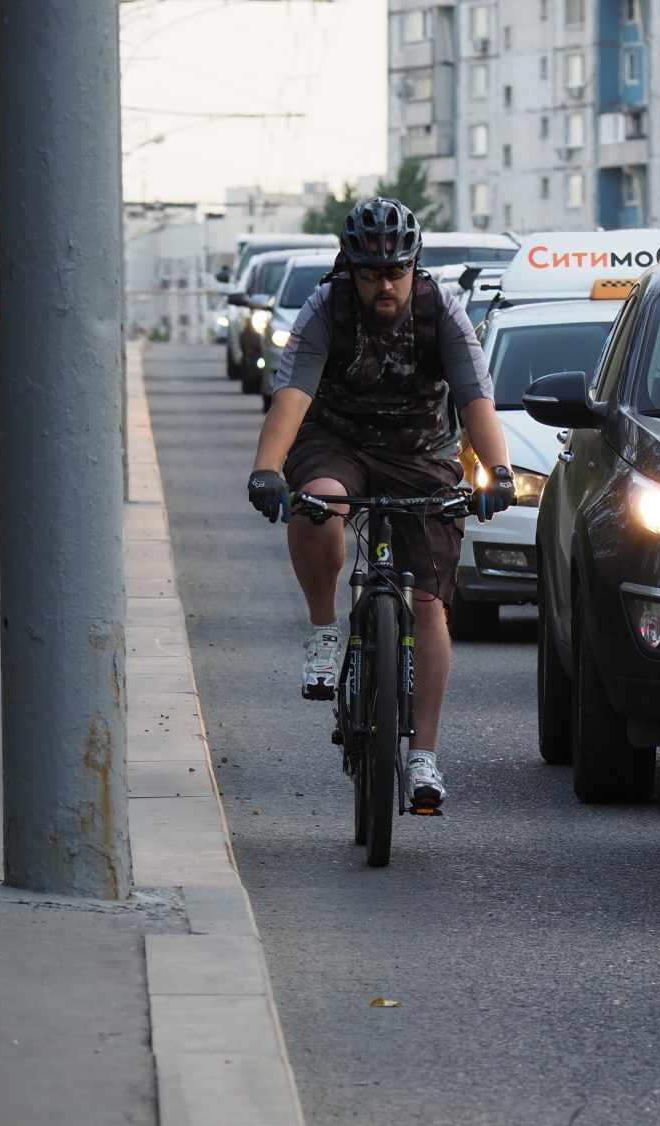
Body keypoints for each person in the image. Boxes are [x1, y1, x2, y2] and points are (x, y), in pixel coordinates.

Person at [245, 197, 514, 811]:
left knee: (428, 603)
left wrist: (498, 472)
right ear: (351, 269)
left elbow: (475, 401)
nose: (385, 284)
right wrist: (266, 470)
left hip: (419, 449)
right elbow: (290, 397)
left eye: (397, 271)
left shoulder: (441, 309)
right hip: (335, 439)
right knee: (319, 502)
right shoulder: (326, 309)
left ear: (415, 266)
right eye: (371, 273)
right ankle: (322, 630)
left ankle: (423, 758)